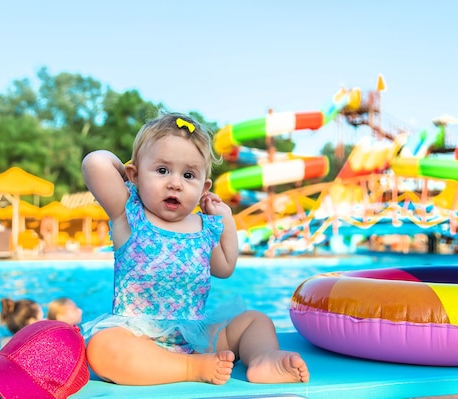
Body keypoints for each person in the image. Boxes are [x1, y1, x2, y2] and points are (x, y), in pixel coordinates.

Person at [81, 112, 310, 386]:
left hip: (197, 336)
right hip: (139, 336)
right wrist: (134, 182)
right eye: (162, 170)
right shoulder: (128, 213)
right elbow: (95, 162)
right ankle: (190, 368)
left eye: (188, 175)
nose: (175, 183)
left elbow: (225, 267)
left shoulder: (203, 227)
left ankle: (263, 359)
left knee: (256, 321)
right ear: (135, 174)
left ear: (204, 188)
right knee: (103, 346)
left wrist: (225, 218)